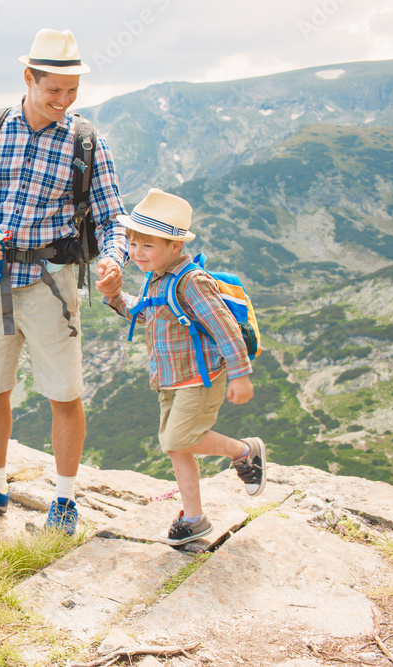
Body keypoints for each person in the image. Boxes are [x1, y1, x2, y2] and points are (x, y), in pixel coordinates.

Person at [0, 28, 128, 535]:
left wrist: (113, 258)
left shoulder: (87, 143)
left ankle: (65, 500)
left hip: (53, 280)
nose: (64, 102)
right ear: (29, 78)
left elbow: (114, 219)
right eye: (54, 91)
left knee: (64, 393)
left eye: (72, 92)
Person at [100, 188, 266, 545]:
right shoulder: (159, 277)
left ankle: (244, 451)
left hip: (200, 379)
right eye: (132, 244)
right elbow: (145, 313)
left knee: (178, 438)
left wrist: (240, 374)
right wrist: (114, 295)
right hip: (170, 381)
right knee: (177, 447)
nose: (136, 253)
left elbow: (224, 327)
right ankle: (194, 519)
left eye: (147, 246)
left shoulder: (192, 281)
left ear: (175, 246)